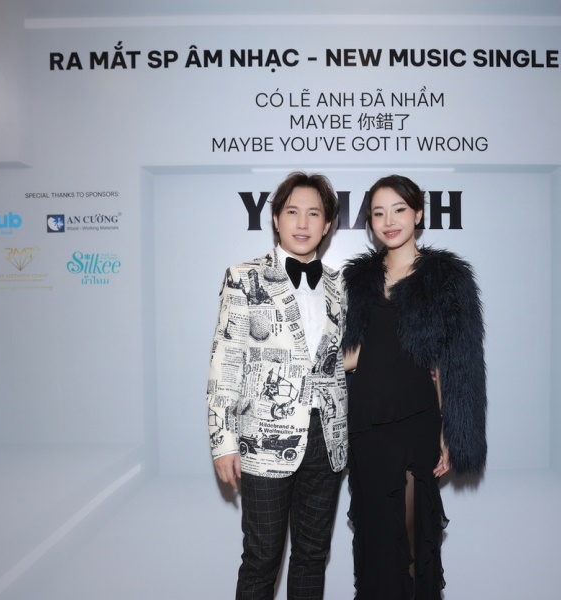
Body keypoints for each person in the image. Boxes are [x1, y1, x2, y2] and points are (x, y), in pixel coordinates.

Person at [342, 174, 487, 599]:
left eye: (399, 210)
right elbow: (352, 352)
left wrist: (450, 431)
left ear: (418, 213)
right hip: (366, 422)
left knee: (409, 535)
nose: (389, 221)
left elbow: (453, 363)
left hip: (416, 421)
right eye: (378, 213)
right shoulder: (358, 279)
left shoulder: (445, 277)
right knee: (375, 541)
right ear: (370, 221)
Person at [206, 171, 348, 600]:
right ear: (275, 219)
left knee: (312, 555)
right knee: (262, 559)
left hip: (327, 438)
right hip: (262, 441)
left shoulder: (341, 285)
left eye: (314, 214)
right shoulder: (243, 277)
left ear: (327, 224)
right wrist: (222, 442)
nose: (302, 223)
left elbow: (340, 358)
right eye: (292, 212)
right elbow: (225, 362)